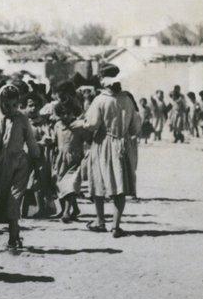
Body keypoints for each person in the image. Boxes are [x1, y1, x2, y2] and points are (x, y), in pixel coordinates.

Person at [71, 68, 140, 238]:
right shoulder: (128, 99)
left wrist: (81, 124)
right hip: (122, 145)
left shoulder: (100, 100)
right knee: (120, 185)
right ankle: (116, 226)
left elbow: (93, 123)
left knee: (99, 181)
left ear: (104, 81)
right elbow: (135, 127)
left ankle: (100, 221)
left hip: (103, 144)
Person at [0, 84, 40, 252]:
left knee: (14, 199)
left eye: (14, 105)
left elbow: (31, 141)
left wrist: (36, 158)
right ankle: (15, 233)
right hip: (2, 165)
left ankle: (12, 238)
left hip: (20, 164)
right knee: (4, 200)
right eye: (6, 105)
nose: (10, 109)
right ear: (0, 103)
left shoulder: (22, 119)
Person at [52, 100, 87, 223]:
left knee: (70, 185)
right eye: (63, 113)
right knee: (61, 185)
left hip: (75, 159)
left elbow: (87, 140)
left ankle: (66, 212)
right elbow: (54, 141)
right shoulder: (57, 125)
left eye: (69, 113)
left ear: (74, 113)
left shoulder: (79, 126)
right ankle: (74, 209)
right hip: (61, 160)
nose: (65, 116)